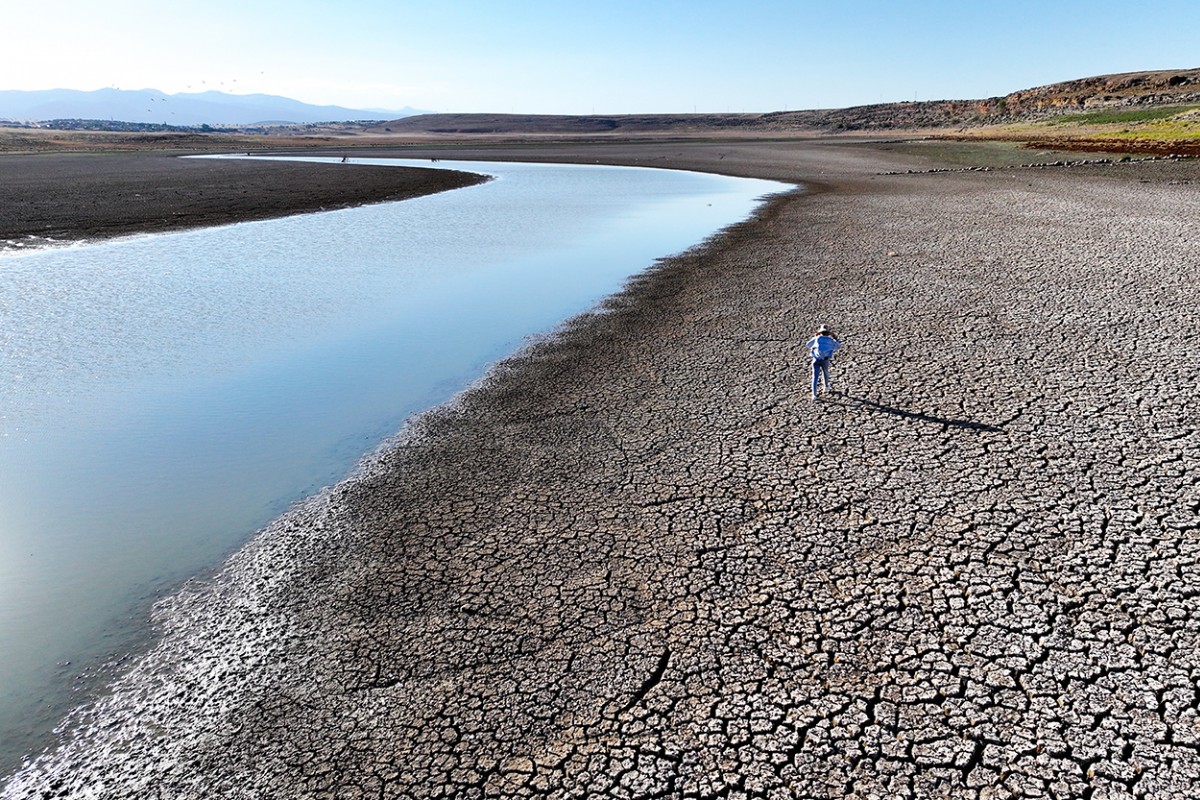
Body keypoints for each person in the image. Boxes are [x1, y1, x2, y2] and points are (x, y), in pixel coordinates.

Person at [806, 324, 842, 399]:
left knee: (815, 377)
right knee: (825, 373)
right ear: (828, 333)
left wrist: (815, 337)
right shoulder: (830, 340)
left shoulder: (817, 339)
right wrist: (835, 338)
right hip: (825, 360)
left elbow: (808, 345)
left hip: (815, 360)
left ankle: (814, 395)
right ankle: (826, 387)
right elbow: (838, 346)